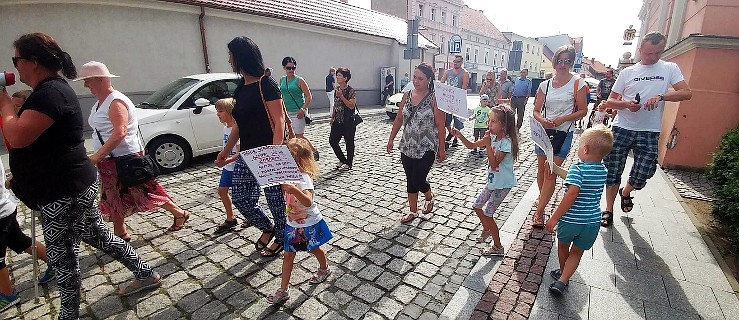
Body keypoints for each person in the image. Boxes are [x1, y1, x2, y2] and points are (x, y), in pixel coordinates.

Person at [0, 32, 160, 319]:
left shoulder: (49, 93)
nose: (16, 67)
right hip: (69, 186)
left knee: (63, 257)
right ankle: (145, 272)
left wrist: (2, 101)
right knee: (98, 236)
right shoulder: (50, 91)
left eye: (17, 60)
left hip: (62, 191)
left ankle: (69, 314)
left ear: (33, 62)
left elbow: (17, 135)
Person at [83, 61, 190, 241]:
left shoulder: (115, 101)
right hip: (110, 159)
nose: (86, 85)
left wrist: (98, 156)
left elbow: (120, 131)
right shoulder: (100, 103)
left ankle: (179, 213)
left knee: (145, 191)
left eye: (88, 81)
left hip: (124, 158)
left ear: (100, 80)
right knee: (113, 195)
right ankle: (120, 234)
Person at [601, 32, 692, 227]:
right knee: (612, 170)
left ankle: (626, 192)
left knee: (645, 171)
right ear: (640, 50)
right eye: (649, 53)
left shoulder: (669, 68)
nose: (652, 58)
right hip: (623, 127)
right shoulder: (628, 72)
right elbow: (610, 101)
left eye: (657, 53)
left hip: (649, 130)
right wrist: (626, 104)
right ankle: (608, 210)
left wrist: (662, 97)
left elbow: (686, 93)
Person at [216, 36, 287, 257]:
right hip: (247, 154)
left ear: (240, 57)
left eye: (231, 56)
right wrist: (225, 152)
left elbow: (280, 122)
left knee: (276, 201)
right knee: (240, 197)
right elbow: (238, 125)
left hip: (268, 152)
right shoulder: (240, 89)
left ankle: (283, 237)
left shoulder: (266, 83)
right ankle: (268, 227)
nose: (229, 61)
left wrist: (274, 155)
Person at [545, 125, 614, 295]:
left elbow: (572, 193)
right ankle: (563, 280)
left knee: (563, 247)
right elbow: (576, 177)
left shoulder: (578, 169)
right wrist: (556, 168)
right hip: (592, 222)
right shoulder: (602, 170)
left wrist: (554, 218)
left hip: (571, 220)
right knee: (576, 252)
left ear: (585, 148)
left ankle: (562, 274)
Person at [266, 138, 333, 304]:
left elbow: (308, 201)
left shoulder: (304, 178)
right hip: (292, 223)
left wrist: (294, 190)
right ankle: (283, 290)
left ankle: (324, 268)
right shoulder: (287, 175)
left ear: (300, 160)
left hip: (309, 222)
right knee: (288, 255)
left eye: (289, 158)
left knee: (314, 248)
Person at [531, 45, 589, 228]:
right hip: (544, 132)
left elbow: (583, 111)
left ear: (572, 62)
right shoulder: (544, 85)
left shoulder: (578, 83)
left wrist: (562, 119)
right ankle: (543, 199)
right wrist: (544, 120)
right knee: (541, 170)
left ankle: (539, 212)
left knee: (551, 172)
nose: (562, 65)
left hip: (564, 132)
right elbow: (536, 110)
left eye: (567, 61)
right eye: (560, 60)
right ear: (554, 61)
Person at [452, 105, 519, 256]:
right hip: (493, 181)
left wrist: (488, 144)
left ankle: (497, 247)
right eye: (489, 120)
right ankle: (487, 229)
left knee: (489, 214)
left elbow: (495, 163)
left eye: (493, 121)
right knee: (477, 206)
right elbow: (471, 145)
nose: (489, 124)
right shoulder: (493, 138)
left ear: (504, 125)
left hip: (503, 185)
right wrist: (459, 135)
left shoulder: (506, 143)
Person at [386, 62, 446, 223]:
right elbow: (399, 118)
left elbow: (441, 125)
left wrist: (442, 148)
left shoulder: (435, 98)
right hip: (407, 144)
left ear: (429, 80)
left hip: (427, 145)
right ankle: (413, 211)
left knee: (418, 179)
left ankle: (428, 195)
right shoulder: (407, 95)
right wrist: (391, 139)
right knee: (409, 179)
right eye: (414, 77)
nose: (416, 81)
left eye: (420, 78)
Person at [0, 160, 56, 311]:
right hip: (6, 207)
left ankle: (8, 294)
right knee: (21, 242)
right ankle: (55, 263)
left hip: (1, 213)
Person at [280, 57, 319, 160]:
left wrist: (303, 109)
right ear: (284, 68)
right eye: (289, 68)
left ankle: (314, 150)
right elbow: (282, 96)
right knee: (290, 136)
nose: (291, 70)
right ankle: (295, 155)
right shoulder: (282, 80)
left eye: (293, 68)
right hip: (287, 112)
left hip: (298, 112)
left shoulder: (299, 80)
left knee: (299, 135)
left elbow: (309, 96)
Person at [213, 98, 240, 236]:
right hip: (228, 167)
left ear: (230, 112)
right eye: (217, 111)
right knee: (222, 191)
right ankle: (231, 218)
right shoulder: (226, 128)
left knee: (241, 197)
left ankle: (251, 216)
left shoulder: (236, 129)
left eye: (221, 111)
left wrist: (227, 160)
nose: (218, 114)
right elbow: (226, 147)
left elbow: (241, 153)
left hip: (237, 168)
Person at [329, 67, 357, 171]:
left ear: (345, 78)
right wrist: (332, 117)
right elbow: (335, 105)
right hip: (338, 120)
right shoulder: (337, 90)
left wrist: (341, 97)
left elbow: (351, 105)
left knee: (349, 143)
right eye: (337, 75)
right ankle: (342, 159)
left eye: (340, 75)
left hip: (348, 121)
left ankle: (349, 163)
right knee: (332, 141)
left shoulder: (351, 91)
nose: (337, 77)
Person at [440, 55, 469, 149]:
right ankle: (451, 133)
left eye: (458, 61)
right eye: (455, 61)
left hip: (457, 100)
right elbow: (442, 83)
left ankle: (455, 138)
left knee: (457, 122)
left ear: (461, 62)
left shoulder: (464, 73)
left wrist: (459, 98)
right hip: (448, 100)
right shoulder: (448, 72)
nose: (456, 63)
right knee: (446, 121)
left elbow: (464, 88)